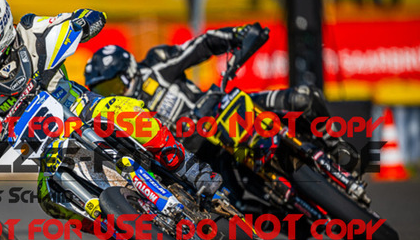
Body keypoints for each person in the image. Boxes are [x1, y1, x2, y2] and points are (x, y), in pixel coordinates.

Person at [0, 0, 222, 224]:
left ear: (3, 23)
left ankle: (192, 170)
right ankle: (122, 233)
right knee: (49, 200)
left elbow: (75, 22)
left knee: (127, 115)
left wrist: (84, 22)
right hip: (48, 152)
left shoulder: (30, 31)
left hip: (82, 109)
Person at [83, 34, 350, 164]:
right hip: (202, 158)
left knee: (305, 97)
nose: (112, 94)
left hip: (223, 111)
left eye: (112, 85)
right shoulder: (117, 119)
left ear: (128, 70)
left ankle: (336, 146)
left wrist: (238, 35)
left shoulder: (157, 65)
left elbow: (202, 45)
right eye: (103, 91)